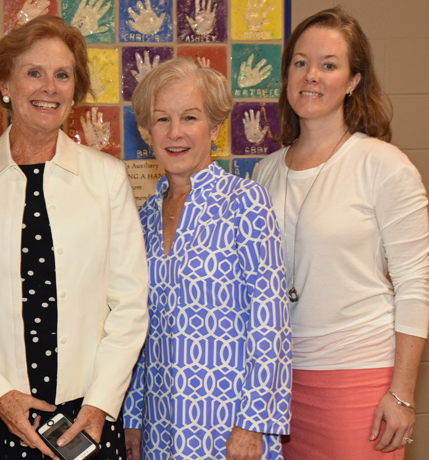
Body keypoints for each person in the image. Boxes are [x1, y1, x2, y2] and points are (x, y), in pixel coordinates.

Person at [0, 15, 149, 460]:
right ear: (6, 84)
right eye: (34, 72)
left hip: (86, 417)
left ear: (75, 92)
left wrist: (102, 401)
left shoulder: (106, 178)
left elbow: (129, 302)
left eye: (62, 75)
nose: (49, 87)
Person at [253, 7, 429, 460]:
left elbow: (415, 283)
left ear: (353, 80)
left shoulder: (384, 165)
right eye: (300, 62)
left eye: (328, 65)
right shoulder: (264, 172)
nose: (311, 76)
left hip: (357, 378)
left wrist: (403, 394)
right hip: (276, 382)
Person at [123, 57, 292, 460]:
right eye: (162, 119)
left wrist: (253, 424)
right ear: (147, 132)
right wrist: (132, 418)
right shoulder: (143, 216)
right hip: (160, 428)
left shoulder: (246, 202)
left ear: (214, 128)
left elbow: (271, 324)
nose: (175, 132)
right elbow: (138, 328)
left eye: (190, 118)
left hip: (230, 428)